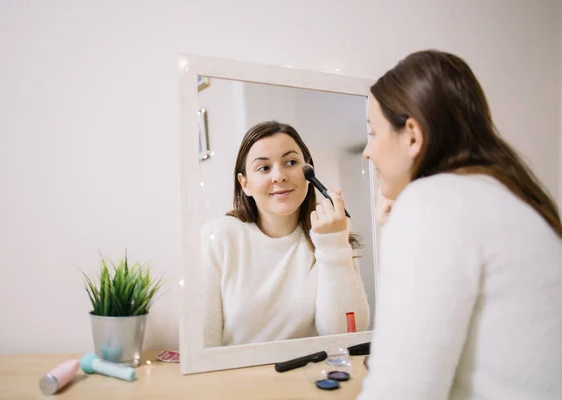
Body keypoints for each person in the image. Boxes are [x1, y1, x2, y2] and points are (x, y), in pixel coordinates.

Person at [357, 50, 562, 399]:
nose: (367, 151)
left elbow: (404, 392)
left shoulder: (433, 203)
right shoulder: (510, 195)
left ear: (411, 135)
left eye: (373, 133)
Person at [201, 121, 370, 347]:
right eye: (264, 168)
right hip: (236, 381)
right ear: (245, 184)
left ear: (308, 172)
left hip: (310, 377)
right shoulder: (219, 237)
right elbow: (203, 342)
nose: (279, 176)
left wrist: (333, 244)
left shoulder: (330, 234)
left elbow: (348, 335)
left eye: (290, 162)